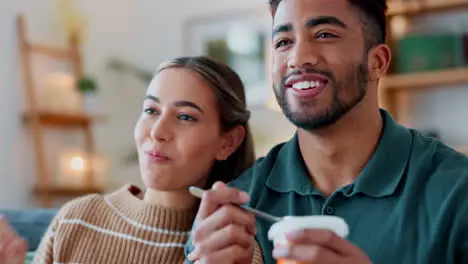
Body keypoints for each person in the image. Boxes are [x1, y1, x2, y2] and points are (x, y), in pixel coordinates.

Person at [186, 0, 468, 263]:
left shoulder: (457, 191)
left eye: (324, 34)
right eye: (283, 42)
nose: (298, 58)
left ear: (377, 62)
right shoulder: (232, 212)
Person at [0, 56, 264, 263]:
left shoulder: (232, 247)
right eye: (151, 110)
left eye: (185, 117)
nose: (157, 131)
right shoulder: (78, 218)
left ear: (228, 142)